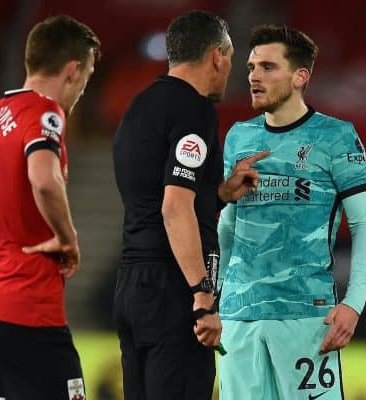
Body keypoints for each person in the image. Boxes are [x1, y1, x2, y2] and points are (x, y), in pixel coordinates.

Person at [0, 15, 100, 400]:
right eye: (88, 78)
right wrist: (67, 237)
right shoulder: (44, 113)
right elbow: (43, 178)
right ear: (73, 71)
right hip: (28, 312)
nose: (82, 90)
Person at [112, 10, 268, 400]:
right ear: (217, 55)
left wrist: (219, 194)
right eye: (231, 59)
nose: (231, 71)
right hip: (173, 291)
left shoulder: (139, 107)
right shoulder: (193, 110)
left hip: (132, 284)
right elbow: (173, 206)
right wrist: (201, 296)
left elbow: (155, 194)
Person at [217, 24, 366, 400]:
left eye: (268, 67)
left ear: (299, 76)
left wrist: (353, 304)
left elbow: (364, 226)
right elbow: (229, 223)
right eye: (251, 67)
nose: (254, 76)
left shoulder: (335, 137)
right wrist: (215, 294)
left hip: (306, 315)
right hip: (239, 316)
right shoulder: (239, 136)